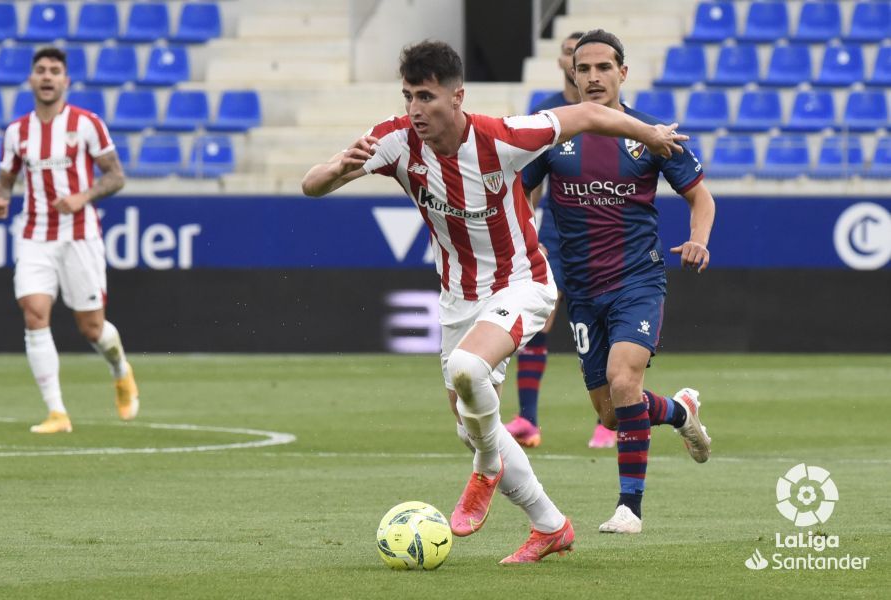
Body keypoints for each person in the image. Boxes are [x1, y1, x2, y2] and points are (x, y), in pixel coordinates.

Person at [301, 40, 687, 562]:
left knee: (467, 370)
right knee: (469, 422)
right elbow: (312, 185)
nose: (416, 110)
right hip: (457, 298)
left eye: (427, 98)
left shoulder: (503, 137)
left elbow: (590, 113)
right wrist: (337, 169)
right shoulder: (393, 140)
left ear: (456, 97)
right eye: (409, 96)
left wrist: (651, 134)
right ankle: (550, 525)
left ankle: (486, 471)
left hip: (521, 283)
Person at [522, 29, 715, 535]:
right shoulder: (553, 135)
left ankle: (630, 508)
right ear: (572, 76)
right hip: (582, 290)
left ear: (621, 74)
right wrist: (521, 242)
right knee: (612, 414)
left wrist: (699, 238)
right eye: (582, 70)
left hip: (637, 278)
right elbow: (516, 193)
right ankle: (679, 410)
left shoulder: (650, 132)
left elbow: (701, 197)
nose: (591, 77)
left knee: (626, 381)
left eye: (602, 68)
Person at [0, 47, 138, 433]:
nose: (47, 76)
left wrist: (83, 196)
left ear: (65, 81)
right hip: (34, 235)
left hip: (79, 236)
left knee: (92, 329)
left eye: (55, 71)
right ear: (31, 80)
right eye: (40, 70)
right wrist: (0, 198)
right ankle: (57, 412)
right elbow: (5, 179)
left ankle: (121, 370)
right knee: (34, 313)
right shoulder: (17, 132)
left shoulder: (87, 123)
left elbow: (116, 175)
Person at [503, 31, 618, 450]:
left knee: (608, 330)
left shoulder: (613, 113)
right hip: (555, 234)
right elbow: (527, 179)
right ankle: (528, 420)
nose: (584, 69)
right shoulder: (546, 112)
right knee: (539, 321)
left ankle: (609, 420)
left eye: (591, 62)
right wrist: (531, 231)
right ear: (564, 65)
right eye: (573, 58)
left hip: (605, 239)